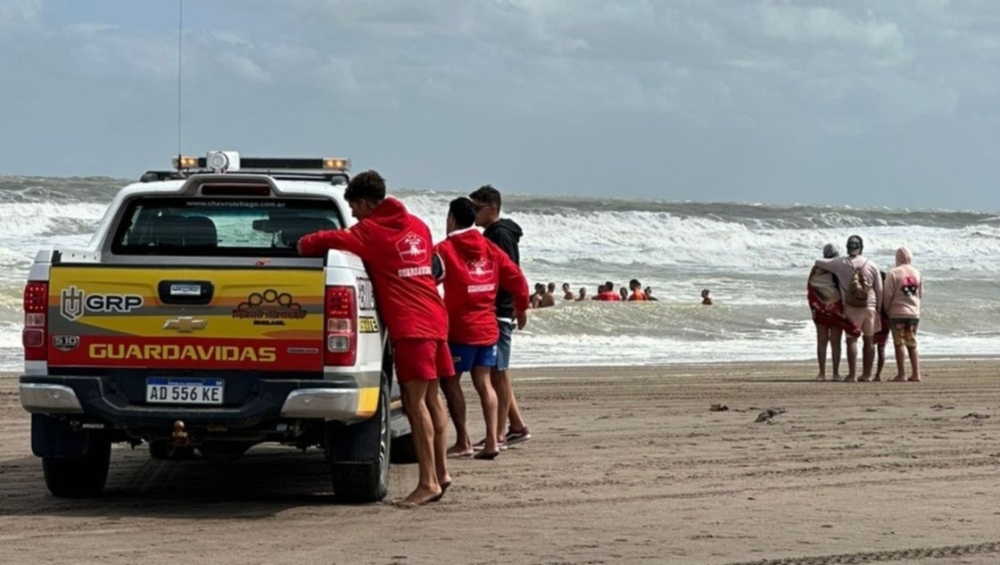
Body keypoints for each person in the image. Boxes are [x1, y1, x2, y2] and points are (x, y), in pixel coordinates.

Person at [298, 170, 451, 506]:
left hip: (411, 326)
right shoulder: (419, 226)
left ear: (366, 203)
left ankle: (428, 483)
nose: (353, 216)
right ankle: (441, 472)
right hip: (437, 318)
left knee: (415, 404)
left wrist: (297, 242)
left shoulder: (369, 232)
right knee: (433, 400)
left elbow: (320, 240)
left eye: (354, 208)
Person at [434, 197, 530, 460]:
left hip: (460, 330)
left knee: (450, 381)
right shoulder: (489, 247)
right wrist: (521, 307)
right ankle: (492, 441)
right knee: (484, 383)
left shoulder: (444, 249)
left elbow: (428, 278)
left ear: (452, 218)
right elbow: (517, 278)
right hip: (488, 328)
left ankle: (463, 440)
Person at [469, 185, 532, 448]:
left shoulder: (500, 235)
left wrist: (518, 306)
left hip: (500, 310)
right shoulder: (495, 233)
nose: (473, 214)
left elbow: (510, 273)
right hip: (498, 309)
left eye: (477, 208)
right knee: (498, 371)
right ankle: (516, 426)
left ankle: (498, 434)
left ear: (491, 208)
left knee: (498, 371)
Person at [813, 235, 882, 382]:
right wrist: (878, 308)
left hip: (850, 308)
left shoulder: (840, 263)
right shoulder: (872, 265)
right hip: (869, 307)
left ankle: (852, 375)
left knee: (852, 340)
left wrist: (833, 258)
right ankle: (867, 375)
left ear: (847, 247)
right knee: (869, 341)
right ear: (861, 248)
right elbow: (879, 289)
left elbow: (818, 262)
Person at [883, 246, 923, 382]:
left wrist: (886, 309)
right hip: (913, 313)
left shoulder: (893, 273)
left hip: (897, 312)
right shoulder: (917, 273)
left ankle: (902, 374)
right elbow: (920, 294)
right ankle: (916, 373)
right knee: (911, 341)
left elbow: (887, 295)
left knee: (899, 342)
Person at [872, 271, 890, 381]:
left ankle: (867, 372)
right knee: (881, 348)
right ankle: (878, 374)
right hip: (885, 321)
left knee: (869, 346)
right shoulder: (888, 292)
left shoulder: (874, 291)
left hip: (874, 320)